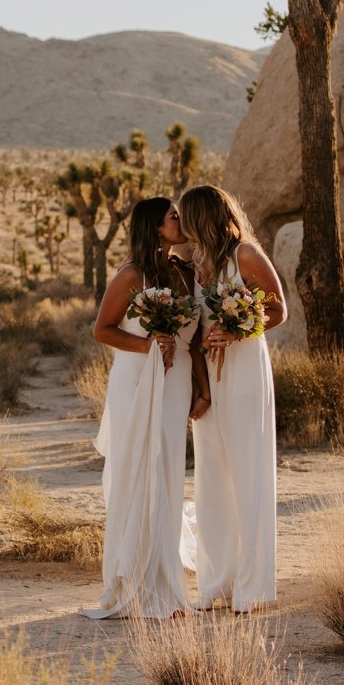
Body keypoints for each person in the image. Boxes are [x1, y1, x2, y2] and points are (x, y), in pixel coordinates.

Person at [80, 195, 209, 620]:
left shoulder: (187, 273)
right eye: (174, 216)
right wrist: (148, 344)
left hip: (176, 381)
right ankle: (134, 585)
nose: (181, 220)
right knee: (139, 471)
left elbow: (194, 341)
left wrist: (199, 388)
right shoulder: (131, 274)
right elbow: (102, 329)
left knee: (169, 471)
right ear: (155, 225)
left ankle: (167, 584)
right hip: (137, 378)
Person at [181, 182, 283, 612]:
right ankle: (216, 581)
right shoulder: (196, 264)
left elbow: (278, 309)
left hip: (243, 371)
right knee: (211, 477)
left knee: (247, 471)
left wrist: (238, 327)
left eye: (186, 217)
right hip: (211, 378)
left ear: (201, 217)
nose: (181, 225)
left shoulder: (245, 254)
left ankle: (253, 586)